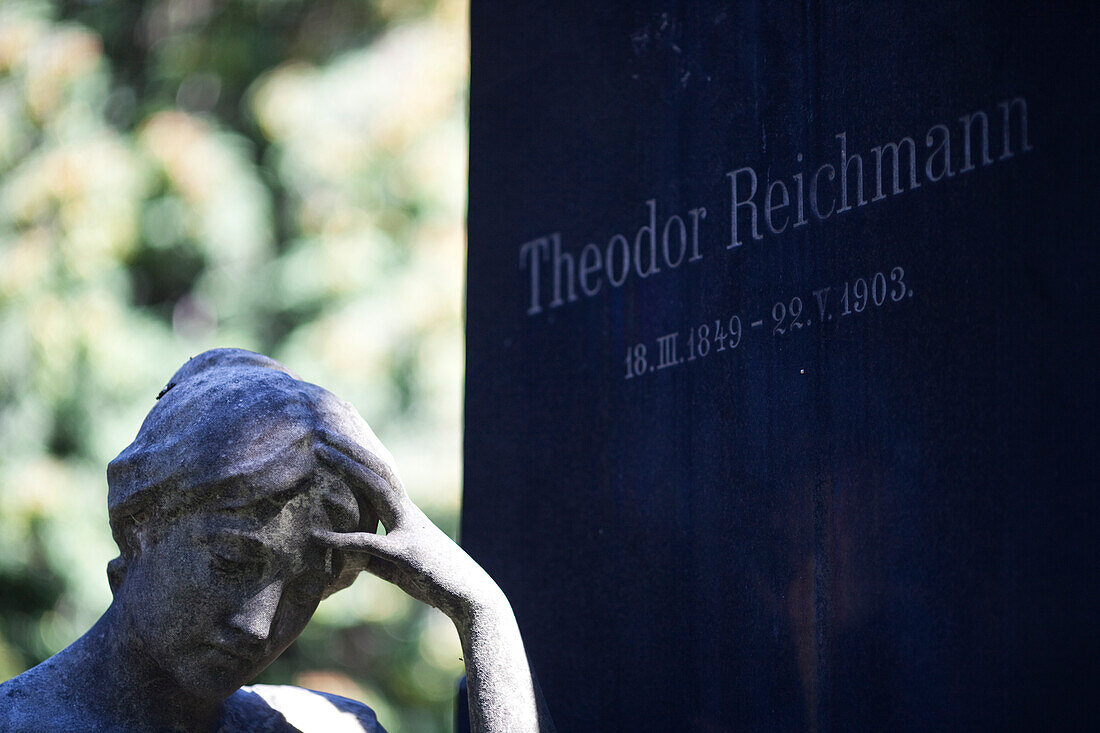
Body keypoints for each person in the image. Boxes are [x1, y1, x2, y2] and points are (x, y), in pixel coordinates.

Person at [0, 348, 554, 732]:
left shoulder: (333, 727)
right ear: (140, 525)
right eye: (232, 560)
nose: (257, 626)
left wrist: (483, 613)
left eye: (305, 590)